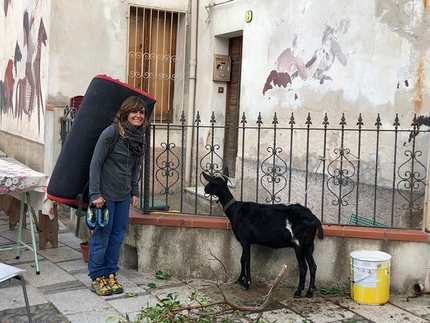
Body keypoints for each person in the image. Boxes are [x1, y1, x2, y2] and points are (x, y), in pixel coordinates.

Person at [88, 96, 146, 296]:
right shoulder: (112, 133)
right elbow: (95, 163)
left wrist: (134, 191)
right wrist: (95, 194)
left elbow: (134, 168)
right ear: (125, 113)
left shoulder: (138, 138)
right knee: (102, 236)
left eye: (141, 112)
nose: (138, 116)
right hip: (104, 197)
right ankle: (97, 276)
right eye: (134, 112)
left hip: (123, 197)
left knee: (117, 237)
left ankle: (110, 273)